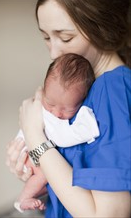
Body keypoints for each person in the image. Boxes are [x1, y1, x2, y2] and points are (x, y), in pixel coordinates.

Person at [6, 0, 131, 217]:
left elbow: (109, 214)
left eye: (66, 37)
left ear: (100, 27)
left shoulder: (112, 91)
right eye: (45, 37)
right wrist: (37, 165)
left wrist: (34, 135)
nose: (54, 53)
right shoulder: (83, 92)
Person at [14, 53, 100, 213]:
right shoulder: (46, 115)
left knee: (47, 178)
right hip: (26, 152)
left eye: (67, 109)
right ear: (43, 91)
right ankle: (23, 199)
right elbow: (65, 137)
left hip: (28, 150)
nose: (56, 113)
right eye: (50, 103)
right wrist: (87, 126)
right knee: (44, 175)